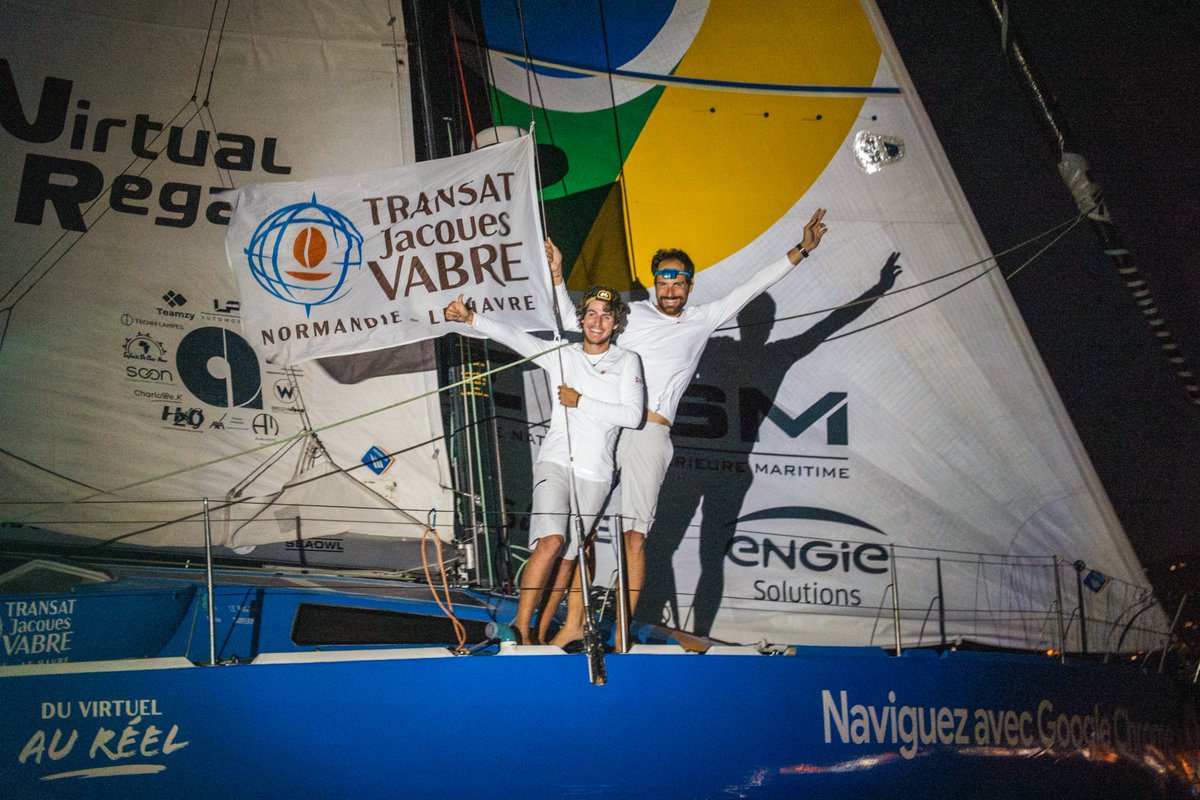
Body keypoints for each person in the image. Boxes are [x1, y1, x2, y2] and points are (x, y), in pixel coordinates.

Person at [549, 209, 829, 636]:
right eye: (663, 280)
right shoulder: (631, 314)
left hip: (649, 434)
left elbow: (753, 285)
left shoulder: (704, 320)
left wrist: (803, 249)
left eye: (679, 281)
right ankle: (571, 628)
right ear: (656, 282)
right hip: (603, 428)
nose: (671, 288)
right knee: (579, 531)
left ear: (690, 285)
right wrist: (556, 275)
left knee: (634, 538)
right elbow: (576, 321)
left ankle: (622, 633)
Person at [444, 286, 643, 645]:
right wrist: (472, 318)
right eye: (592, 313)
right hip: (555, 462)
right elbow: (518, 338)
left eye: (606, 315)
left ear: (616, 324)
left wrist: (580, 400)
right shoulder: (563, 354)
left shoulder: (627, 361)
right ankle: (520, 629)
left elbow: (633, 415)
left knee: (569, 558)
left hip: (595, 474)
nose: (598, 321)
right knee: (550, 542)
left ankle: (552, 634)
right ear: (581, 319)